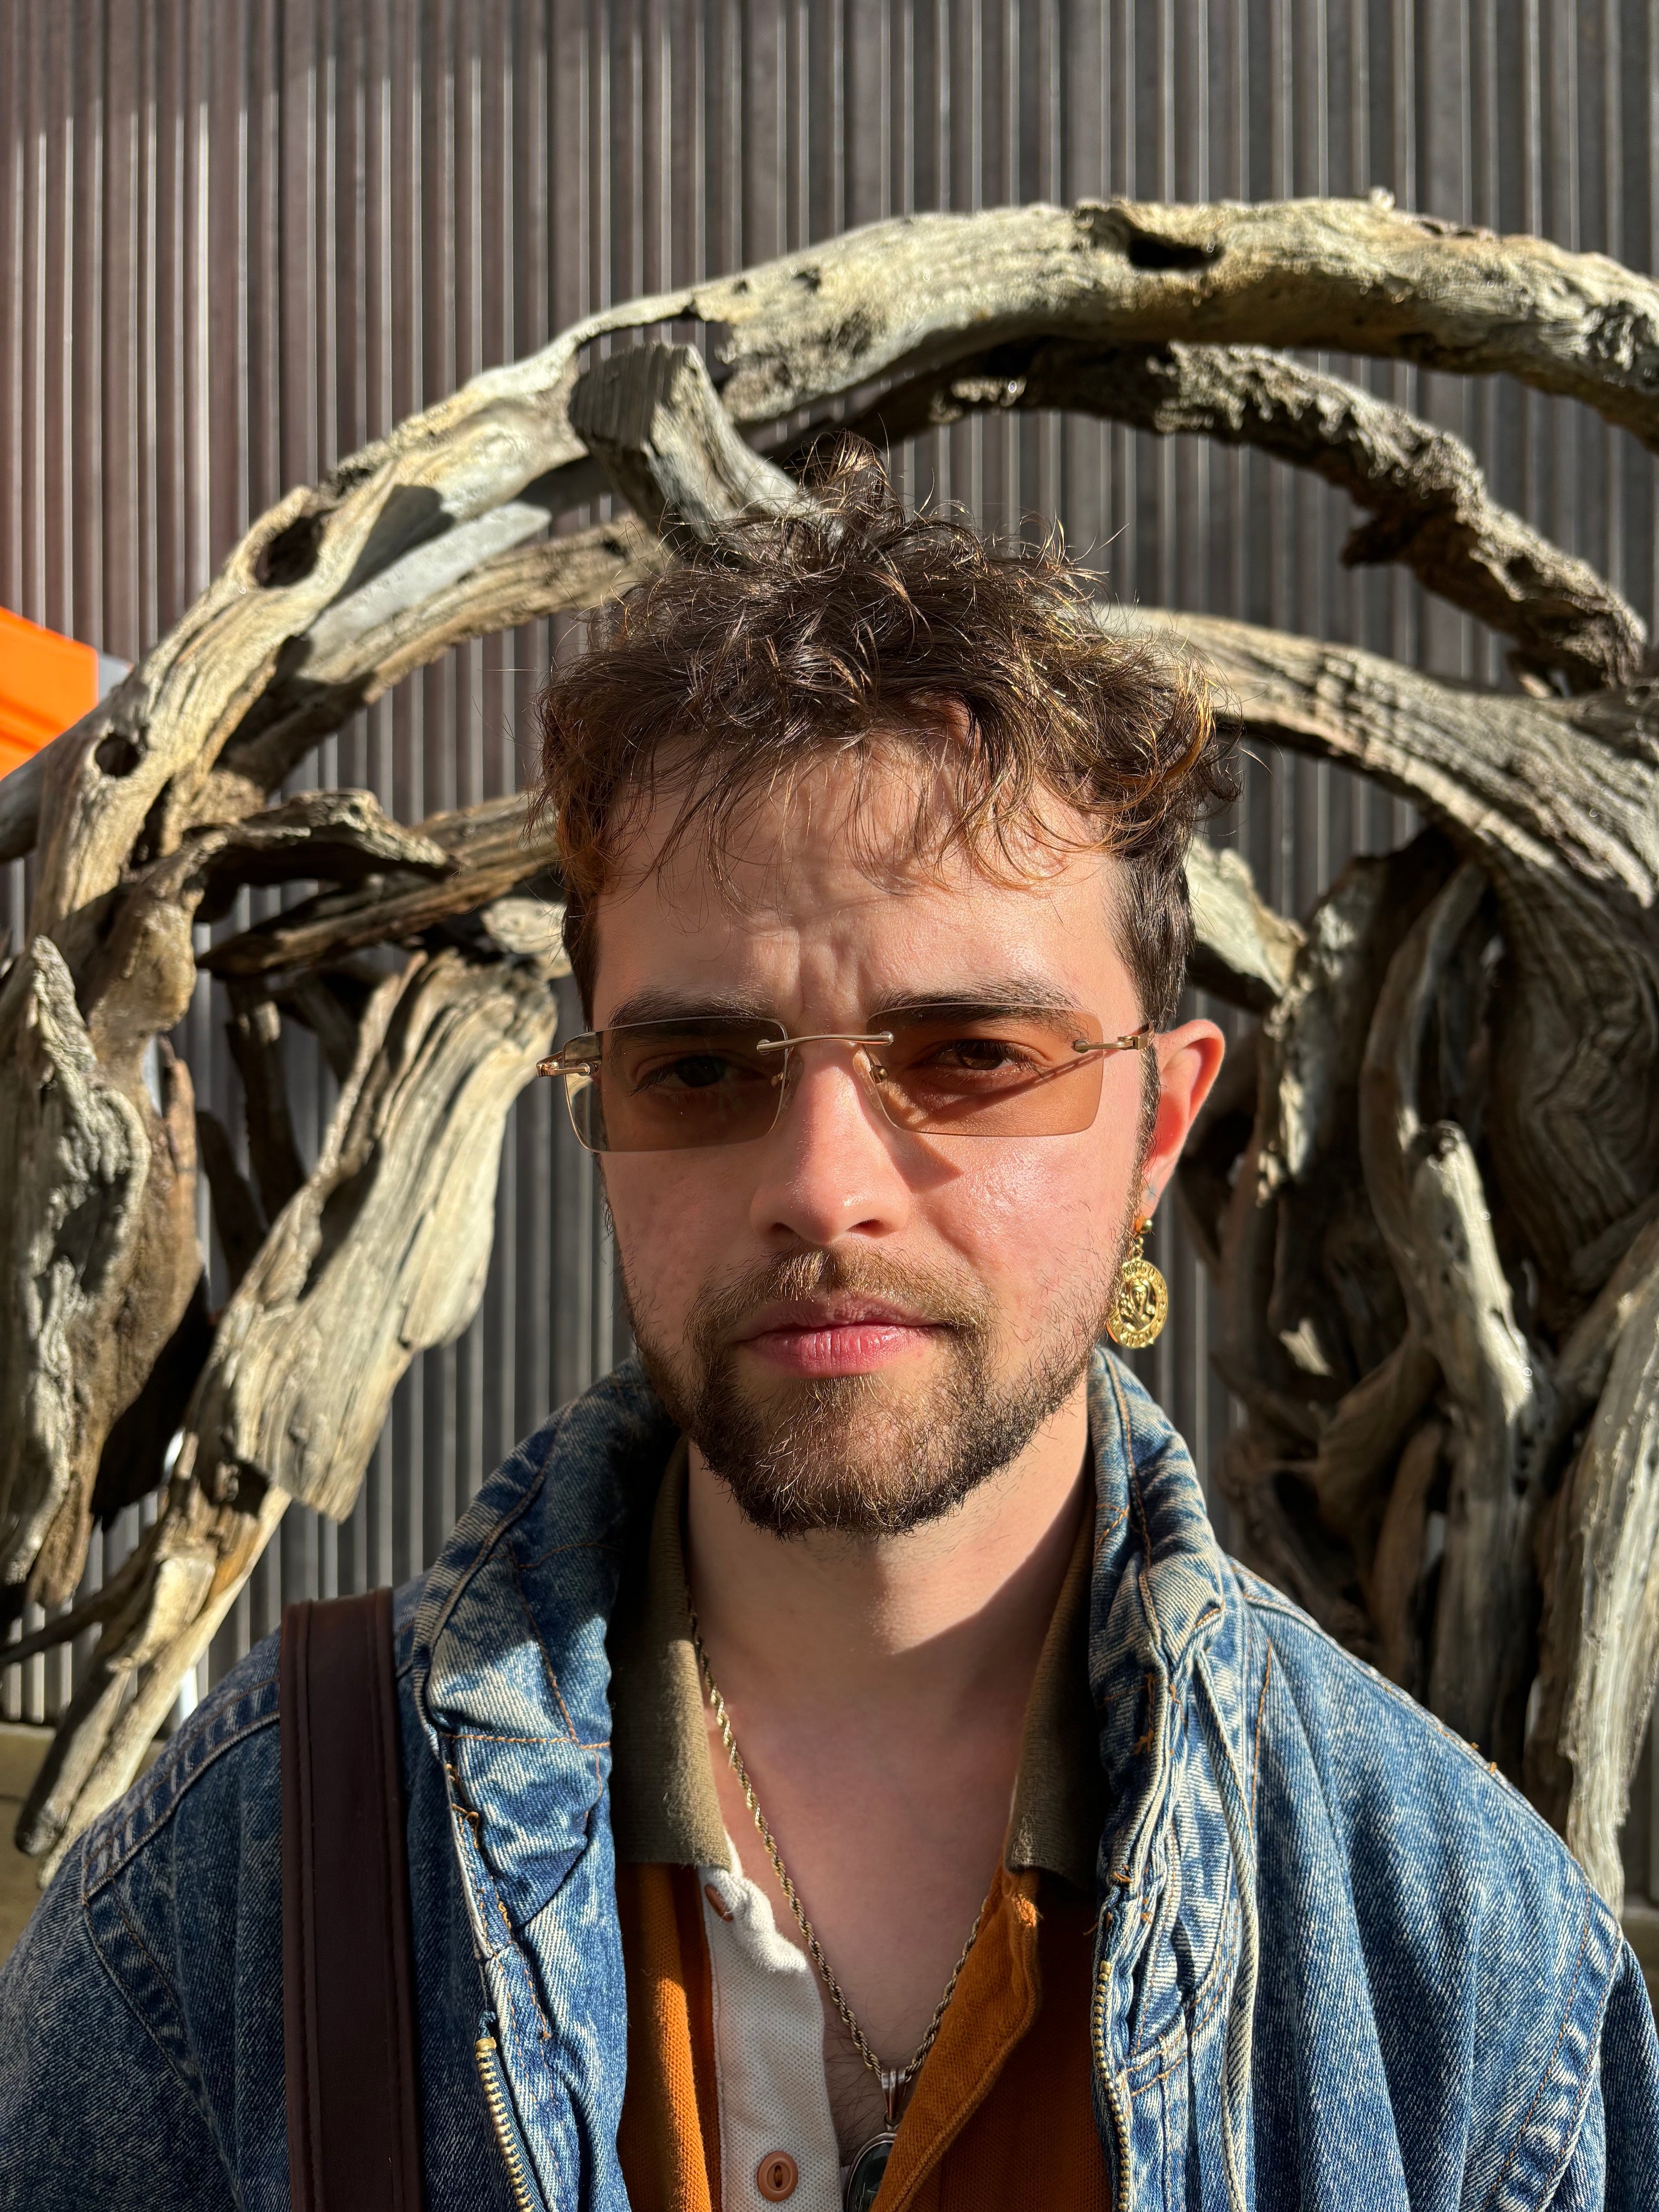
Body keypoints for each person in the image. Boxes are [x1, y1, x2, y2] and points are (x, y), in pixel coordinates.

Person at [3, 451, 1656, 2212]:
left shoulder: (1459, 1968)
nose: (821, 1183)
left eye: (968, 1058)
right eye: (702, 1069)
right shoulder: (246, 1889)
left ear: (1161, 1130)